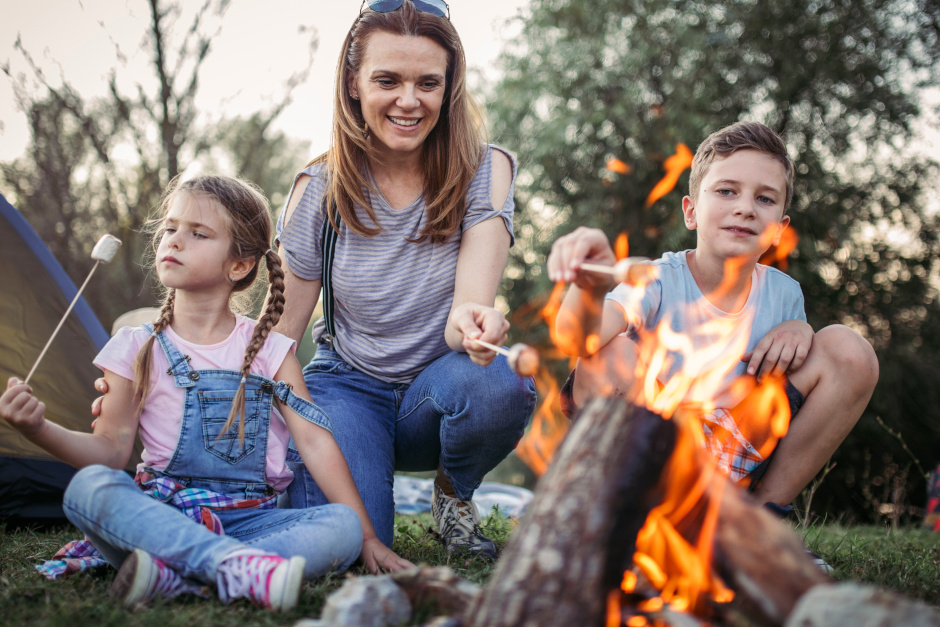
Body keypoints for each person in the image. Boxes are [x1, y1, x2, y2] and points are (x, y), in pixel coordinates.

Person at [1, 175, 411, 613]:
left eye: (198, 233)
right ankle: (236, 569)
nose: (175, 241)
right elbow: (109, 453)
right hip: (163, 517)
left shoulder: (272, 351)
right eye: (170, 228)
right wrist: (39, 429)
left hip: (252, 521)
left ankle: (178, 575)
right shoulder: (135, 347)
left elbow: (314, 441)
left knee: (342, 525)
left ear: (239, 265)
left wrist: (367, 536)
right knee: (89, 487)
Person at [270, 0, 537, 558]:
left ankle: (452, 495)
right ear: (353, 83)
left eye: (428, 83)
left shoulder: (485, 170)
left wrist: (476, 325)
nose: (409, 101)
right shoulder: (318, 188)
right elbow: (278, 337)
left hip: (437, 392)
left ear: (449, 87)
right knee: (349, 549)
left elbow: (465, 315)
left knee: (499, 382)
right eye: (387, 80)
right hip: (346, 387)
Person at [546, 121, 879, 513]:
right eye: (726, 191)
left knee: (849, 349)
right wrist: (587, 287)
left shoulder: (784, 295)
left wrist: (801, 329)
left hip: (734, 456)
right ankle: (638, 515)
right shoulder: (655, 280)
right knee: (609, 354)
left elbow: (799, 377)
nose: (745, 208)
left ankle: (759, 518)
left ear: (778, 230)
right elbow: (576, 341)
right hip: (654, 455)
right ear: (691, 212)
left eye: (765, 199)